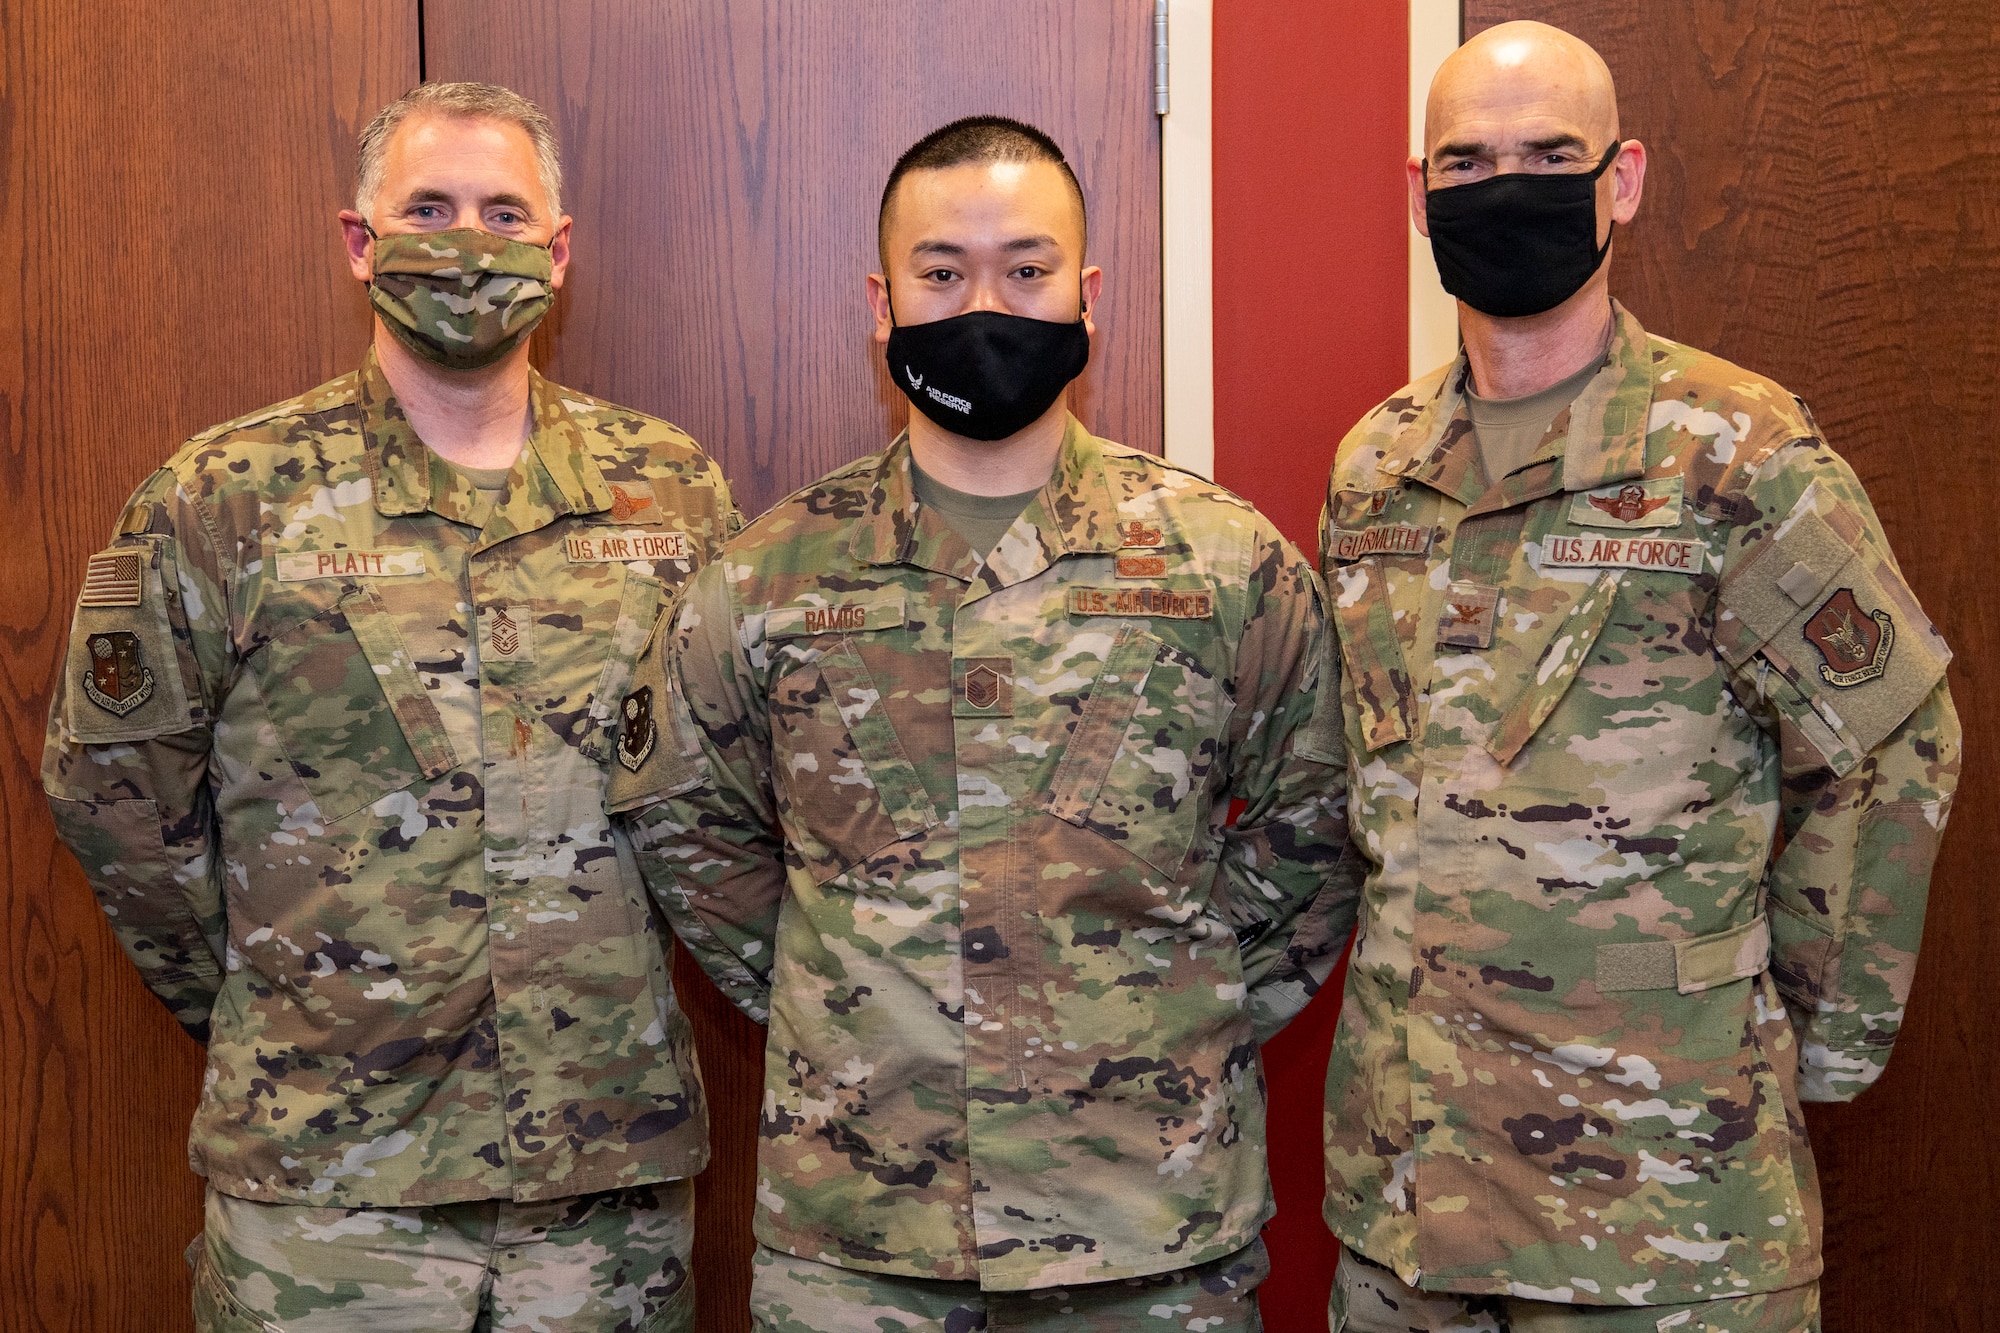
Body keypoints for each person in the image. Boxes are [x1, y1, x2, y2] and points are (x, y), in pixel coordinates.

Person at [608, 115, 1360, 1332]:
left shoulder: (1223, 563)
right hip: (860, 1241)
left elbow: (1318, 824)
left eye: (1025, 268)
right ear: (881, 298)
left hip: (1147, 1231)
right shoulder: (768, 575)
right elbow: (689, 827)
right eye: (940, 272)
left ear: (1085, 291)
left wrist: (1172, 1000)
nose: (984, 302)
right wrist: (845, 999)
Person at [41, 82, 735, 1332]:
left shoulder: (668, 493)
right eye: (427, 207)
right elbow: (114, 799)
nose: (466, 241)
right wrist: (275, 1004)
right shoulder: (226, 495)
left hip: (602, 1191)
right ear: (359, 242)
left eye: (502, 212)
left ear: (557, 251)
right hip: (325, 1197)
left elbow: (727, 796)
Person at [1318, 21, 1960, 1333]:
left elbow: (1893, 744)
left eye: (1552, 153)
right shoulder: (1375, 468)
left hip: (1665, 1222)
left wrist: (1791, 1041)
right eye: (1468, 159)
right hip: (1408, 1211)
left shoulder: (1736, 450)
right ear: (1419, 191)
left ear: (1624, 180)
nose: (1508, 185)